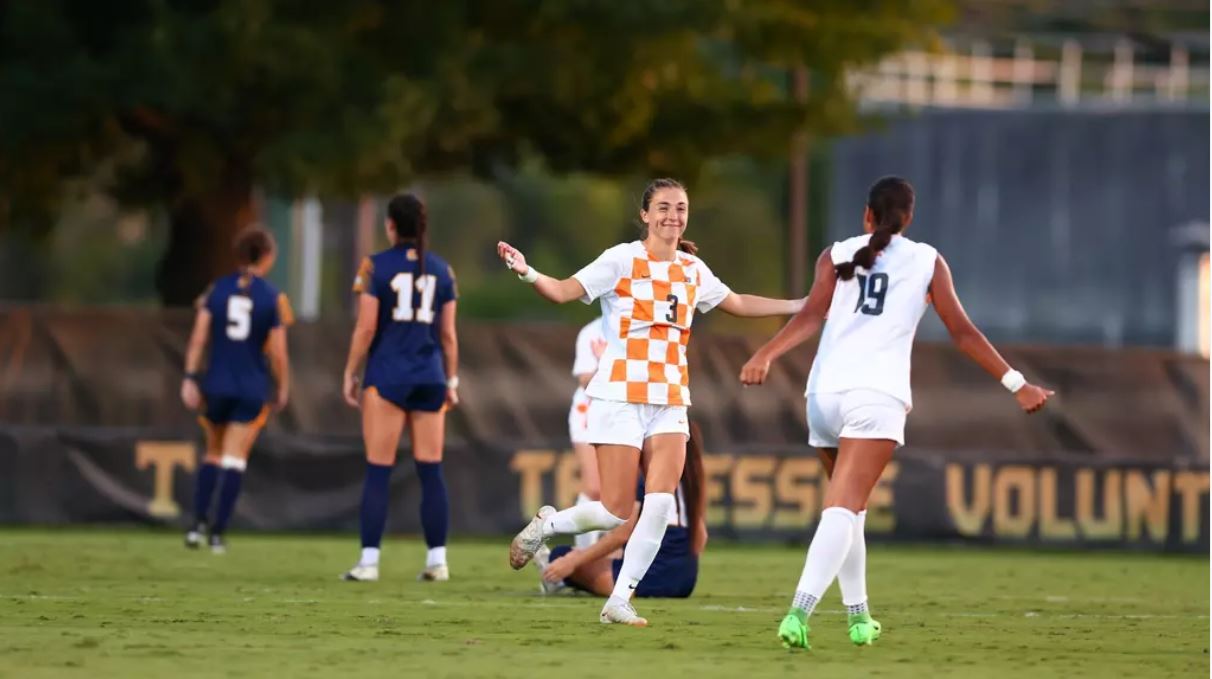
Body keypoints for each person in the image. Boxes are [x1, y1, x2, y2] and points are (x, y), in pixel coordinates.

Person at [738, 176, 1054, 650]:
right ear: (909, 219)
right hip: (875, 398)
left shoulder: (836, 253)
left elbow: (809, 316)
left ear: (867, 215)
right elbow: (963, 333)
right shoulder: (927, 260)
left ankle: (859, 617)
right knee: (843, 508)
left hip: (823, 396)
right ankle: (798, 612)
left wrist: (765, 353)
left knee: (850, 510)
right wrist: (1017, 383)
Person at [497, 177, 803, 626]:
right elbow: (562, 291)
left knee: (659, 503)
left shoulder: (693, 270)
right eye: (663, 207)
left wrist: (801, 304)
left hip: (670, 400)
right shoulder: (620, 260)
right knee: (614, 510)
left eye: (680, 208)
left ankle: (619, 601)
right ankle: (548, 525)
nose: (672, 216)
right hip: (618, 396)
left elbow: (737, 301)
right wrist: (527, 271)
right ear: (645, 215)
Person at [340, 193, 459, 583]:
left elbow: (367, 327)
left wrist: (351, 372)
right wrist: (452, 380)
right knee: (431, 470)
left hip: (388, 377)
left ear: (390, 225)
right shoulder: (443, 270)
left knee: (378, 470)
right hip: (429, 376)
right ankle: (437, 560)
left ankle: (369, 562)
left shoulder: (375, 266)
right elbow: (448, 335)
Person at [181, 228, 292, 554]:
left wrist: (189, 376)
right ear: (268, 256)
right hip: (250, 387)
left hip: (215, 384)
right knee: (234, 458)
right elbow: (279, 352)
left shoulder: (217, 289)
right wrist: (283, 385)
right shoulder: (273, 297)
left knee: (212, 454)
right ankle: (217, 533)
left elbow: (199, 337)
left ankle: (197, 526)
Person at [534, 422, 708, 599]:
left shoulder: (648, 477)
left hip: (649, 580)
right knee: (598, 555)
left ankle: (561, 580)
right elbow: (700, 539)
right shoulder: (690, 483)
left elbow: (621, 535)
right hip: (685, 581)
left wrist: (572, 561)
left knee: (561, 555)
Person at [569, 316, 607, 549]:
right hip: (591, 411)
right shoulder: (592, 331)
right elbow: (585, 380)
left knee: (631, 493)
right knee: (595, 489)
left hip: (631, 413)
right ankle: (582, 555)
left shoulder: (643, 325)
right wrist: (608, 364)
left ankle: (615, 557)